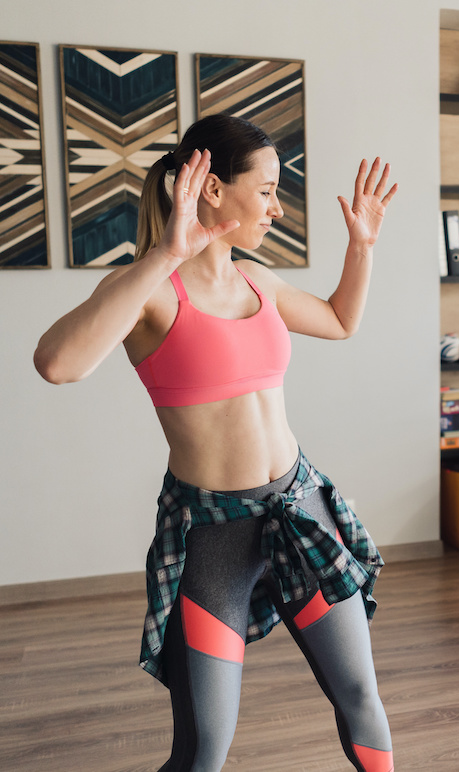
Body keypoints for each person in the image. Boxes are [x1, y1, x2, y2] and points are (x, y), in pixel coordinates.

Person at [33, 115, 397, 772]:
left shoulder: (261, 281)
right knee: (203, 748)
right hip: (212, 535)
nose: (277, 207)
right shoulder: (151, 291)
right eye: (265, 190)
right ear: (211, 190)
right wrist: (166, 253)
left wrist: (362, 246)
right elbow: (58, 363)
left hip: (299, 508)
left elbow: (341, 321)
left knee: (361, 697)